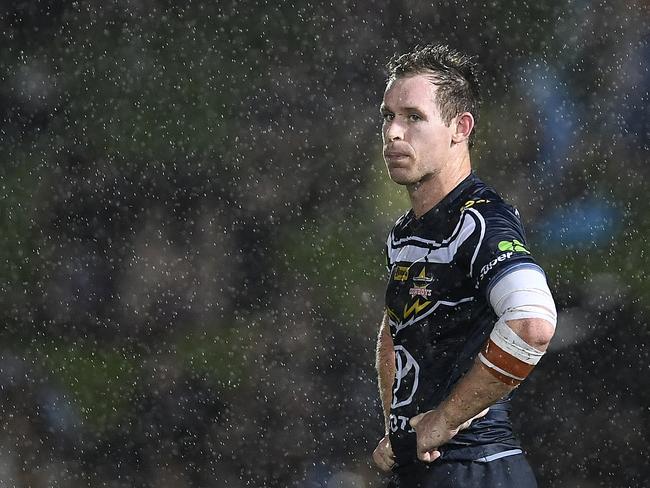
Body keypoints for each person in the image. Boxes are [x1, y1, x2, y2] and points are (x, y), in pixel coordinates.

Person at [371, 44, 557, 487]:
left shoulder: (480, 219)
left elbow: (533, 323)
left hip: (480, 467)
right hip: (426, 470)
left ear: (460, 128)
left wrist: (445, 419)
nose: (394, 132)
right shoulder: (405, 231)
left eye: (414, 117)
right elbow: (393, 332)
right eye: (387, 116)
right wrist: (397, 435)